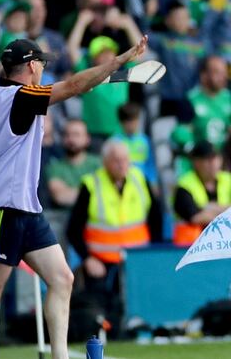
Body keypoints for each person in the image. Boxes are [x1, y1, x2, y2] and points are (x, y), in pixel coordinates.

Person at [0, 35, 147, 359]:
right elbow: (74, 86)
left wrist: (100, 76)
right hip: (3, 207)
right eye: (42, 64)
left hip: (26, 209)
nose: (44, 69)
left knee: (62, 278)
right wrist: (118, 62)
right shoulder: (21, 96)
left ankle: (60, 356)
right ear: (32, 66)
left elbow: (77, 85)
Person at [66, 140, 163, 338]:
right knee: (99, 304)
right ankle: (101, 334)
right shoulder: (91, 184)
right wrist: (87, 258)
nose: (121, 164)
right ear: (105, 162)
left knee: (136, 302)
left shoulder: (139, 179)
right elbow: (73, 229)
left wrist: (151, 253)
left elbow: (156, 218)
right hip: (100, 260)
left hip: (134, 260)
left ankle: (136, 333)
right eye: (116, 160)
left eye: (125, 160)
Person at [172, 141, 231, 247]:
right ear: (196, 162)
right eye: (208, 159)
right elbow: (196, 217)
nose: (214, 163)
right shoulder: (184, 185)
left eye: (216, 158)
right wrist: (229, 210)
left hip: (224, 244)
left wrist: (209, 207)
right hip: (192, 247)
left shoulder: (228, 179)